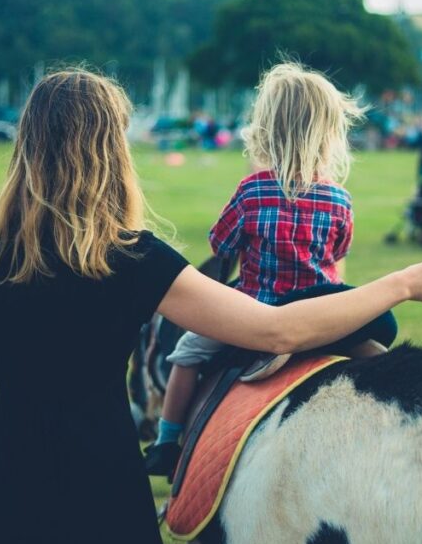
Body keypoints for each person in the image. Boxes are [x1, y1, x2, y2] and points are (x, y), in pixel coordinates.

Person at [0, 70, 422, 544]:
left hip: (11, 475)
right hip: (103, 478)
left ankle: (168, 438)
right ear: (109, 151)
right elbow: (275, 331)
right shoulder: (132, 258)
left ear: (26, 145)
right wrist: (404, 282)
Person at [145, 62, 397, 476]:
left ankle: (167, 442)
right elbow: (337, 253)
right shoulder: (339, 199)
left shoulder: (252, 189)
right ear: (330, 132)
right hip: (322, 317)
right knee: (379, 359)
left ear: (265, 127)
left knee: (187, 355)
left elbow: (220, 244)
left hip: (253, 314)